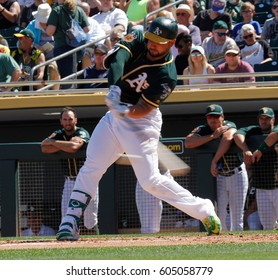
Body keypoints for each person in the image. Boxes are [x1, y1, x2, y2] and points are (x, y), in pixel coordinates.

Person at [56, 17, 222, 241]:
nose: (152, 44)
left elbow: (143, 108)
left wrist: (124, 110)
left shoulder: (167, 76)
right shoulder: (139, 37)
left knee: (150, 181)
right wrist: (114, 90)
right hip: (114, 116)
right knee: (91, 167)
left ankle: (203, 209)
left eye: (158, 41)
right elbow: (117, 59)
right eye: (151, 39)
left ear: (171, 43)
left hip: (141, 123)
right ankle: (70, 221)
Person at [185, 104, 249, 231]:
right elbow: (188, 142)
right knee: (220, 214)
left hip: (237, 174)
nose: (213, 120)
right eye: (210, 117)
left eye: (216, 116)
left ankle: (238, 243)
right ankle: (222, 242)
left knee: (237, 214)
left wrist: (214, 160)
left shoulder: (229, 124)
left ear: (222, 117)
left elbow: (228, 138)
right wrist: (212, 136)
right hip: (220, 176)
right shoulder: (203, 129)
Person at [41, 107, 99, 234]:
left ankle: (96, 242)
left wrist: (54, 143)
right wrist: (61, 144)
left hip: (86, 180)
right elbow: (44, 147)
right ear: (61, 121)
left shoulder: (81, 132)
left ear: (76, 120)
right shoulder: (58, 133)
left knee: (90, 219)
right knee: (67, 216)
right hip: (69, 181)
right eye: (65, 119)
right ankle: (69, 241)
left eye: (70, 119)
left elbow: (73, 147)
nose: (68, 122)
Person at [234, 107, 278, 230]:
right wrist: (245, 149)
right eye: (261, 118)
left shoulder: (275, 130)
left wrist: (260, 149)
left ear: (273, 119)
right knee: (267, 225)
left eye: (267, 118)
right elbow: (237, 134)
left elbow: (275, 135)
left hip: (277, 187)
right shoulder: (252, 131)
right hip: (261, 187)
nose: (264, 121)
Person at [46, 0, 90, 89]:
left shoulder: (57, 10)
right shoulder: (79, 10)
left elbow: (50, 31)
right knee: (73, 74)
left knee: (67, 79)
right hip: (78, 48)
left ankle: (69, 100)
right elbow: (87, 29)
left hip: (63, 49)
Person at [26, 3, 60, 90]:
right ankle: (41, 91)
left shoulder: (57, 23)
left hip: (54, 53)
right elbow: (20, 42)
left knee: (53, 67)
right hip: (37, 53)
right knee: (38, 54)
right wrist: (33, 45)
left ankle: (55, 95)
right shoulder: (32, 25)